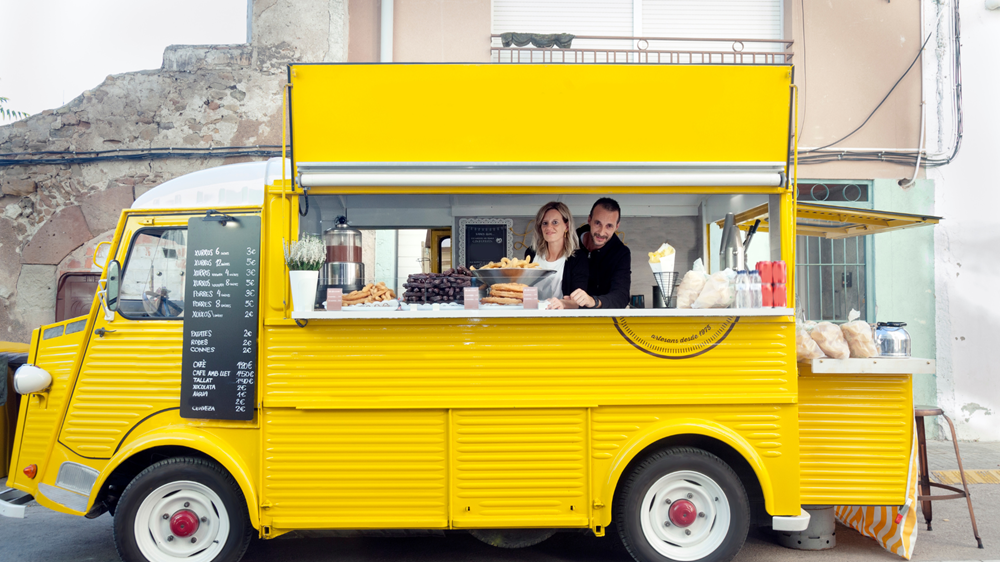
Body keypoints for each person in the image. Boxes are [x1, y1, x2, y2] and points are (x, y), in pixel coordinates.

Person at [524, 202, 589, 309]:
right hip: (532, 316)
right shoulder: (531, 253)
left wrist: (562, 303)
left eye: (555, 222)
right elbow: (524, 288)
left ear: (567, 226)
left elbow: (578, 301)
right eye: (545, 223)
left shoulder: (578, 258)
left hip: (562, 320)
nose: (549, 227)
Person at [569, 197, 631, 309]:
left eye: (609, 226)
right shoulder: (569, 241)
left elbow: (621, 296)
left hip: (602, 320)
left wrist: (594, 301)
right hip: (563, 315)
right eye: (598, 223)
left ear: (617, 226)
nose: (602, 232)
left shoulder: (621, 253)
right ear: (589, 220)